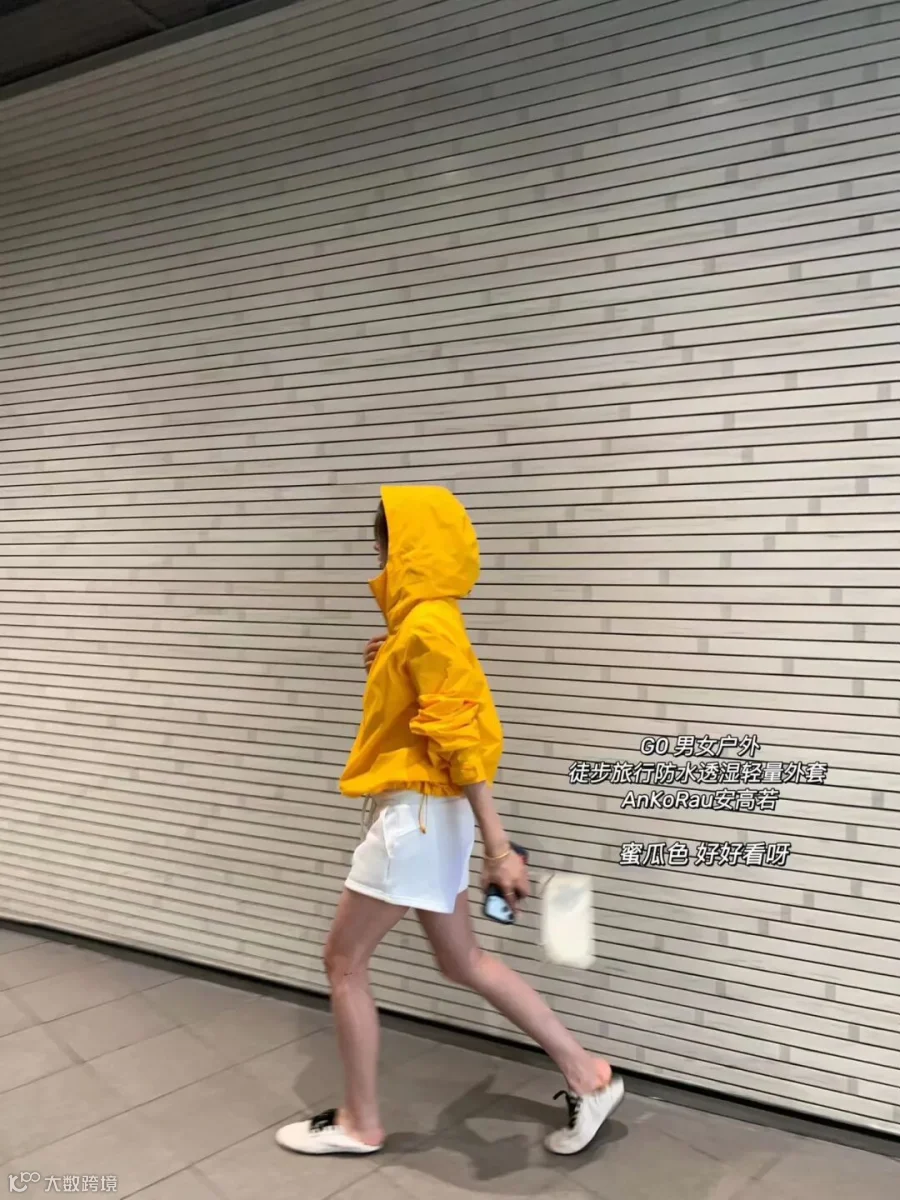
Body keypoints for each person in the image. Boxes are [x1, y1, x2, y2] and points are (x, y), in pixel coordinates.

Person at [276, 484, 622, 1158]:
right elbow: (430, 716)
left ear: (407, 549)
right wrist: (389, 662)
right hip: (433, 817)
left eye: (385, 547)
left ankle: (360, 1122)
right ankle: (588, 1074)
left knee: (343, 962)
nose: (380, 560)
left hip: (418, 819)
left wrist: (500, 849)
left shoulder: (427, 625)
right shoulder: (425, 624)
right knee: (463, 960)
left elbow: (460, 738)